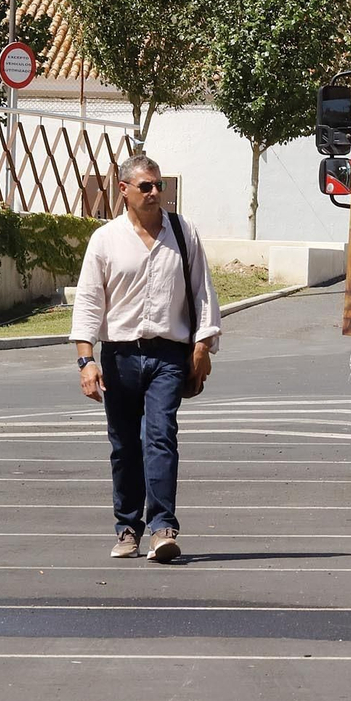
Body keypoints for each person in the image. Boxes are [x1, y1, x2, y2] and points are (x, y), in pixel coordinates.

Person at [72, 155, 221, 563]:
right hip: (119, 357)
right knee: (123, 446)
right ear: (124, 191)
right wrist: (86, 361)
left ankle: (162, 528)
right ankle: (127, 527)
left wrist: (204, 345)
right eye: (146, 187)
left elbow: (202, 289)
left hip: (167, 356)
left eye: (159, 185)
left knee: (160, 437)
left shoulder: (181, 231)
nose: (156, 193)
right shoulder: (105, 239)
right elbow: (89, 301)